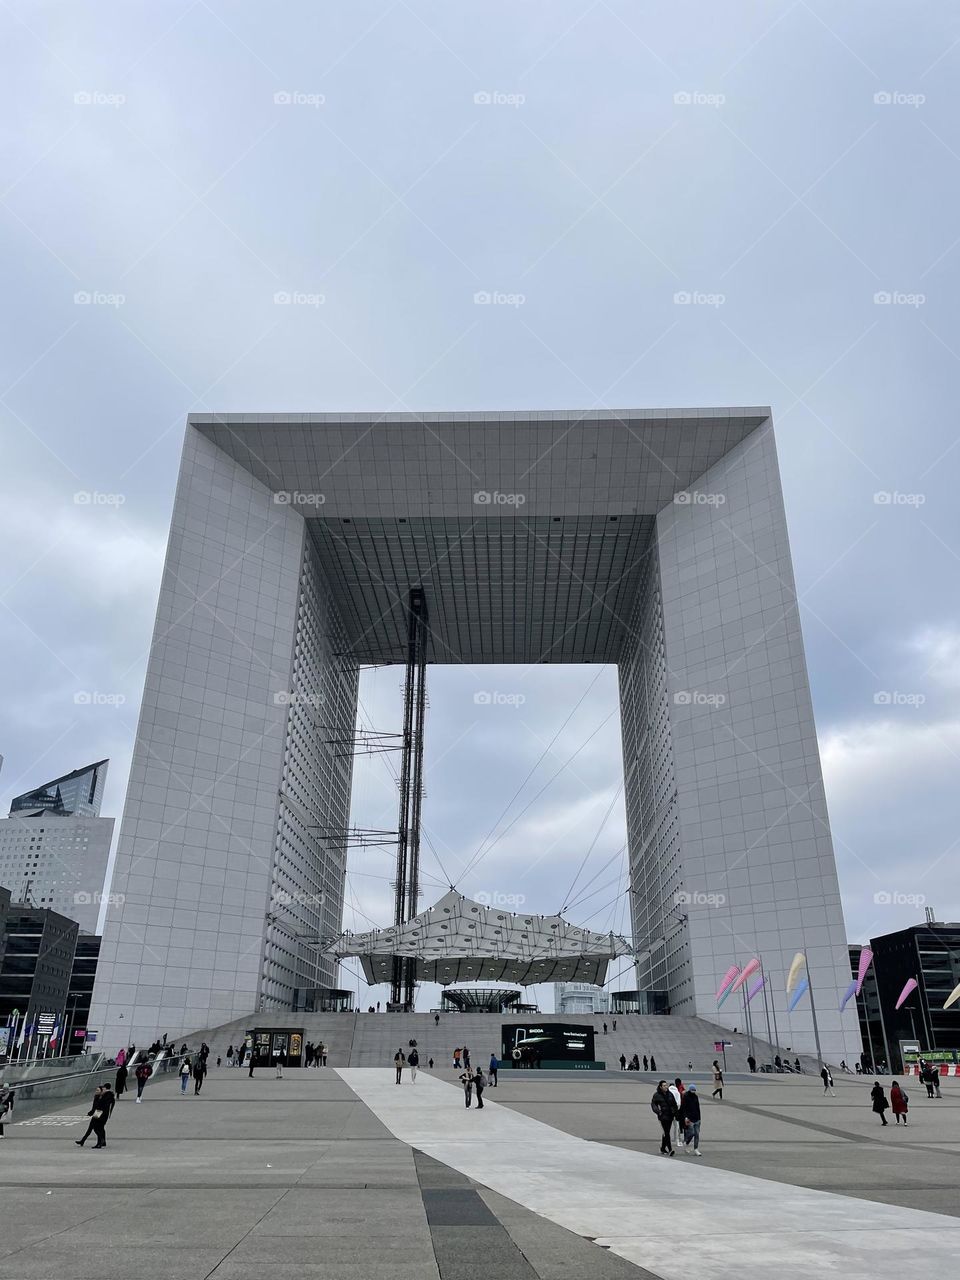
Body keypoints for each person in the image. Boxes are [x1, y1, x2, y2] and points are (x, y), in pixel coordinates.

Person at [650, 1080, 678, 1156]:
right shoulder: (656, 1095)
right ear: (660, 1087)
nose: (666, 1087)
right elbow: (653, 1105)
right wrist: (658, 1112)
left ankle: (662, 1148)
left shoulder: (670, 1094)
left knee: (666, 1132)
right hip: (662, 1117)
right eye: (664, 1085)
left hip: (670, 1116)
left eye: (666, 1085)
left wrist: (675, 1112)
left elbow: (674, 1104)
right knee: (666, 1133)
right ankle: (670, 1149)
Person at [679, 1082, 702, 1155]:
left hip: (697, 1118)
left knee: (697, 1134)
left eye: (694, 1090)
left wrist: (699, 1118)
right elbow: (684, 1108)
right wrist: (685, 1117)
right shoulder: (686, 1096)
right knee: (691, 1133)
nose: (693, 1091)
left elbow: (698, 1107)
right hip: (689, 1118)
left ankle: (696, 1149)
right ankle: (686, 1142)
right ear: (689, 1090)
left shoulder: (696, 1096)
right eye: (692, 1090)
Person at [669, 1078, 684, 1147]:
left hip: (668, 1113)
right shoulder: (677, 1092)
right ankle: (677, 1140)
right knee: (676, 1126)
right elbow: (679, 1103)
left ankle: (667, 1141)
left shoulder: (667, 1093)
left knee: (667, 1128)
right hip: (675, 1112)